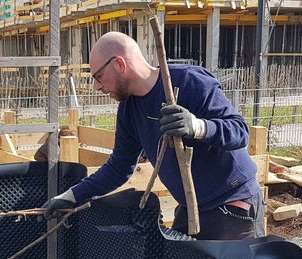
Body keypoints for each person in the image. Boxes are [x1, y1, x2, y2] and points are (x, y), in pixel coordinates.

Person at [41, 32, 265, 240]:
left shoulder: (188, 82)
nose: (98, 87)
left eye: (98, 77)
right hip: (190, 209)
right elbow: (118, 168)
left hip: (232, 206)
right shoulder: (129, 111)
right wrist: (71, 196)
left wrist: (197, 127)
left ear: (119, 64)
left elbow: (239, 131)